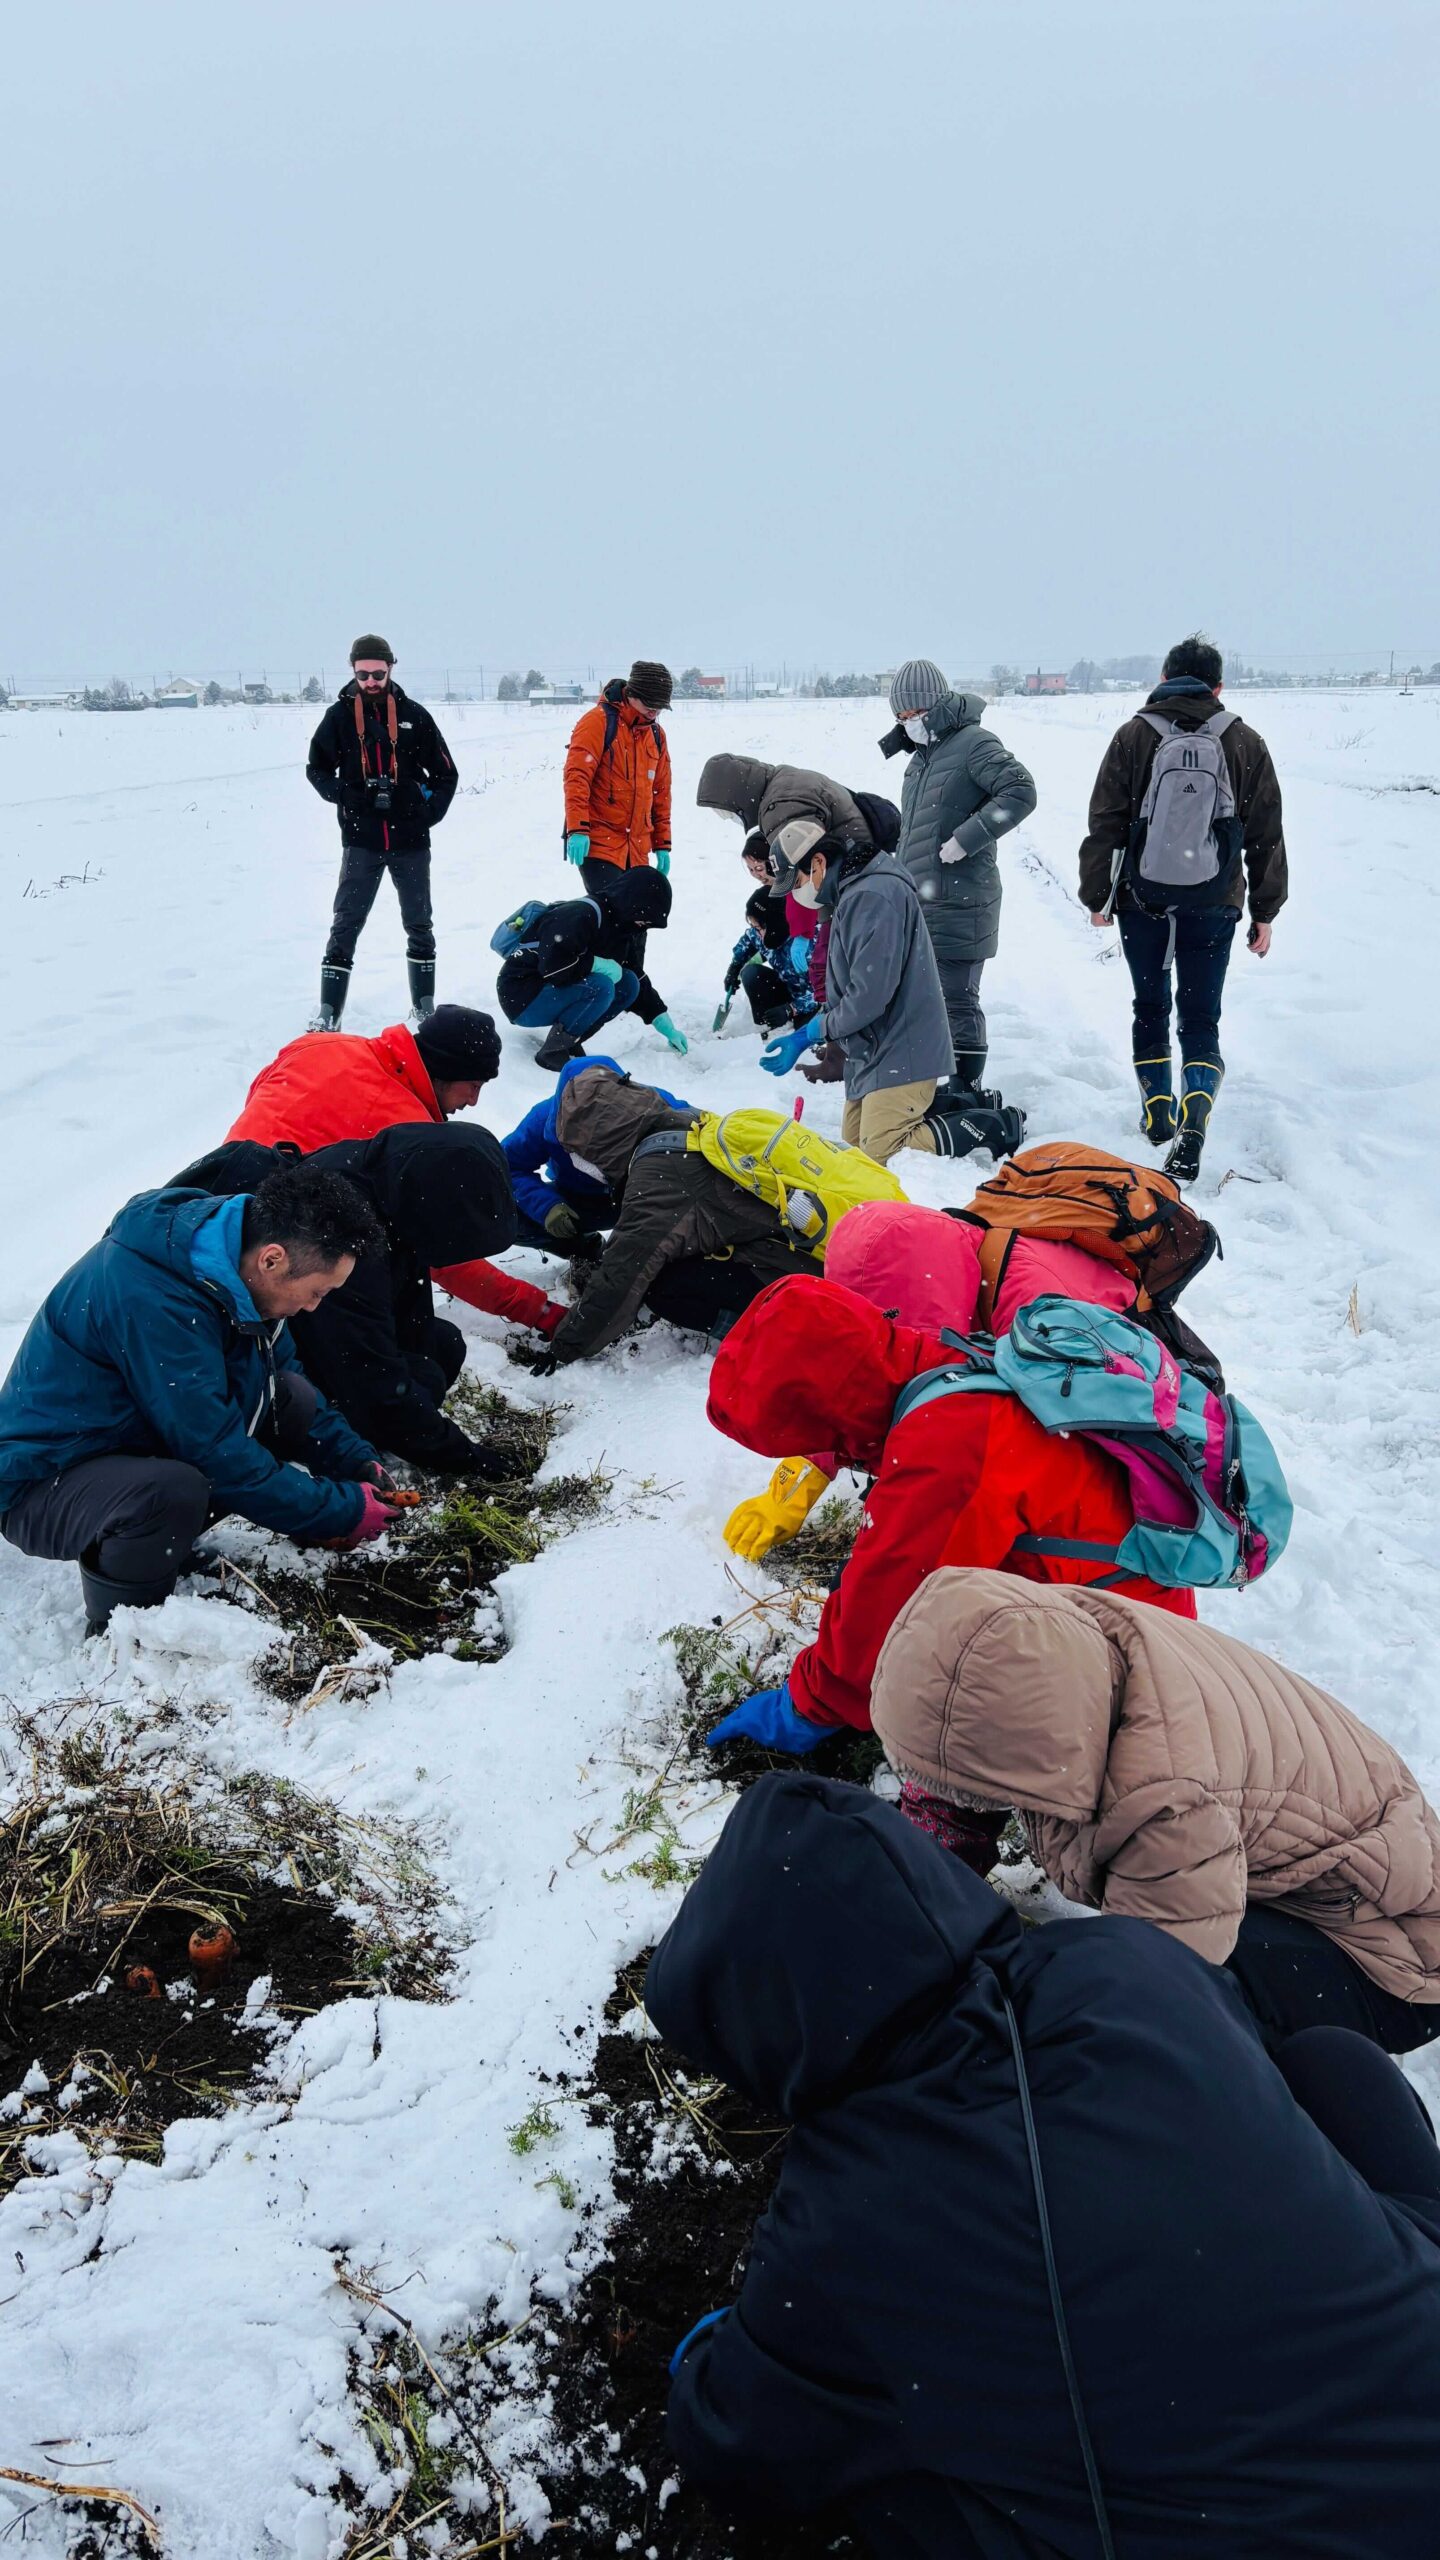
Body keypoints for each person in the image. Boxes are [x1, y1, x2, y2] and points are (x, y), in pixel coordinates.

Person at [652, 1772, 1440, 2560]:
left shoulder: (844, 2215)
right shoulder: (1123, 1958)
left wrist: (727, 2350)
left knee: (892, 2475)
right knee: (1328, 2061)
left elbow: (731, 2441)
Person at [873, 1565, 1440, 2053]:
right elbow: (957, 1740)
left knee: (1154, 1999)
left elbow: (1157, 1992)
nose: (950, 1800)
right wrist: (920, 1910)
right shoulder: (1057, 1644)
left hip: (1393, 1957)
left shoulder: (1166, 1806)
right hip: (1334, 1849)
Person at [703, 1273, 1195, 1754]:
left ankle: (953, 1808)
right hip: (1134, 1597)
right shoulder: (945, 1363)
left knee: (933, 1699)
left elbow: (886, 1615)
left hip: (1130, 1664)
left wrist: (806, 1707)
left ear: (823, 1411)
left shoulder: (944, 1447)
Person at [0, 1161, 398, 1634]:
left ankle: (154, 1538)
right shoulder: (156, 1298)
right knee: (172, 1491)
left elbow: (283, 1376)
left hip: (127, 1444)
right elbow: (214, 1453)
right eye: (315, 1292)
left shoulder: (239, 1274)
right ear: (272, 1259)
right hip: (44, 1480)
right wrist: (341, 1509)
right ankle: (125, 1625)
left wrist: (352, 1460)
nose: (315, 1306)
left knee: (289, 1397)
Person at [723, 1199, 1135, 1563]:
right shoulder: (923, 1257)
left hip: (1106, 1476)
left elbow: (1011, 1455)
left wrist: (904, 1512)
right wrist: (794, 1487)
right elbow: (857, 1379)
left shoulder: (1039, 1323)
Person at [172, 1126, 519, 1476]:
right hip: (251, 1350)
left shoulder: (387, 1182)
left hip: (307, 1330)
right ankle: (326, 1441)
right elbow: (370, 1376)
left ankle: (364, 1425)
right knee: (385, 1394)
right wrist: (467, 1459)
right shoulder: (343, 1237)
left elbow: (410, 1314)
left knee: (439, 1348)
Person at [1078, 633, 1288, 1182]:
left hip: (1142, 899)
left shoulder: (1132, 736)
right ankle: (1196, 1115)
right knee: (1200, 1016)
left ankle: (1157, 1113)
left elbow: (1106, 823)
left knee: (1150, 1003)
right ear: (1218, 686)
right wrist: (1266, 908)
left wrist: (1097, 895)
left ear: (1163, 679)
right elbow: (1266, 832)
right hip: (1215, 900)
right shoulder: (1244, 741)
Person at [225, 1005, 562, 1336]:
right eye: (474, 1085)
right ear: (447, 1070)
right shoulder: (405, 1134)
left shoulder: (322, 1044)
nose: (473, 1101)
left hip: (218, 1197)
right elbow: (444, 1254)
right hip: (278, 1252)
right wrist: (534, 1309)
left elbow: (262, 1096)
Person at [759, 829, 1020, 1164]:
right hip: (875, 1049)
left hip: (903, 1047)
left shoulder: (873, 896)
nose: (797, 896)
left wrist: (813, 1030)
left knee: (881, 1153)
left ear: (819, 863)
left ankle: (993, 1125)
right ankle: (963, 1104)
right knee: (853, 1148)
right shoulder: (852, 893)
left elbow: (869, 996)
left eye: (797, 883)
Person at [541, 1065, 809, 1364]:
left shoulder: (657, 1176)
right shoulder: (687, 1121)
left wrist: (564, 1347)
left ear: (596, 1144)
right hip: (809, 1242)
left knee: (662, 1287)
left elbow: (623, 1273)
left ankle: (779, 1334)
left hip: (800, 1272)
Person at [881, 659, 1036, 1113]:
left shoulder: (974, 744)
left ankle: (967, 1086)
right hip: (923, 899)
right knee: (928, 996)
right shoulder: (922, 759)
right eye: (900, 719)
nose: (907, 726)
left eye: (913, 716)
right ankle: (935, 1081)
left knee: (957, 996)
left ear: (935, 706)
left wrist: (966, 840)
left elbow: (1020, 791)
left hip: (963, 897)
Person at [306, 635, 459, 1030]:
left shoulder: (415, 716)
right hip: (361, 839)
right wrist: (347, 795)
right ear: (353, 671)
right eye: (363, 674)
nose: (371, 681)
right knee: (346, 922)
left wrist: (426, 813)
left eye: (378, 673)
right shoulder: (338, 717)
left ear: (391, 668)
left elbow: (446, 774)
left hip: (410, 840)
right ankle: (329, 1012)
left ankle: (424, 1007)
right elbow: (317, 769)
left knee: (419, 922)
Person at [502, 1054, 693, 1254]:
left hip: (649, 1195)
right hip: (582, 1201)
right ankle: (586, 1250)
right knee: (505, 1214)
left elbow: (707, 1140)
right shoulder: (542, 1118)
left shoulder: (656, 1107)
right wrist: (546, 1206)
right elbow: (506, 1167)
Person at [493, 891, 642, 1072]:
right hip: (521, 998)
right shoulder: (578, 920)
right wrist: (594, 963)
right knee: (600, 987)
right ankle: (553, 1051)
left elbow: (635, 972)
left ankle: (572, 1040)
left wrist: (660, 1018)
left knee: (627, 984)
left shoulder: (615, 929)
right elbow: (555, 970)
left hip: (544, 990)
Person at [563, 662, 673, 884]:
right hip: (599, 844)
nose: (654, 711)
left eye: (660, 706)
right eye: (649, 704)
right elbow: (577, 777)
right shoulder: (597, 722)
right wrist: (578, 829)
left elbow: (661, 793)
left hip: (638, 850)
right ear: (632, 694)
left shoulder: (656, 735)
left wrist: (662, 843)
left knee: (640, 915)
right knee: (613, 912)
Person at [720, 882, 817, 1032]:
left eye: (759, 927)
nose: (756, 932)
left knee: (806, 1033)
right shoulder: (764, 935)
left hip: (812, 1002)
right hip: (787, 990)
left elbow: (825, 993)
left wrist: (791, 1009)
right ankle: (764, 1027)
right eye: (754, 927)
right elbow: (748, 940)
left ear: (775, 925)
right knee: (751, 973)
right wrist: (734, 967)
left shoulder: (807, 945)